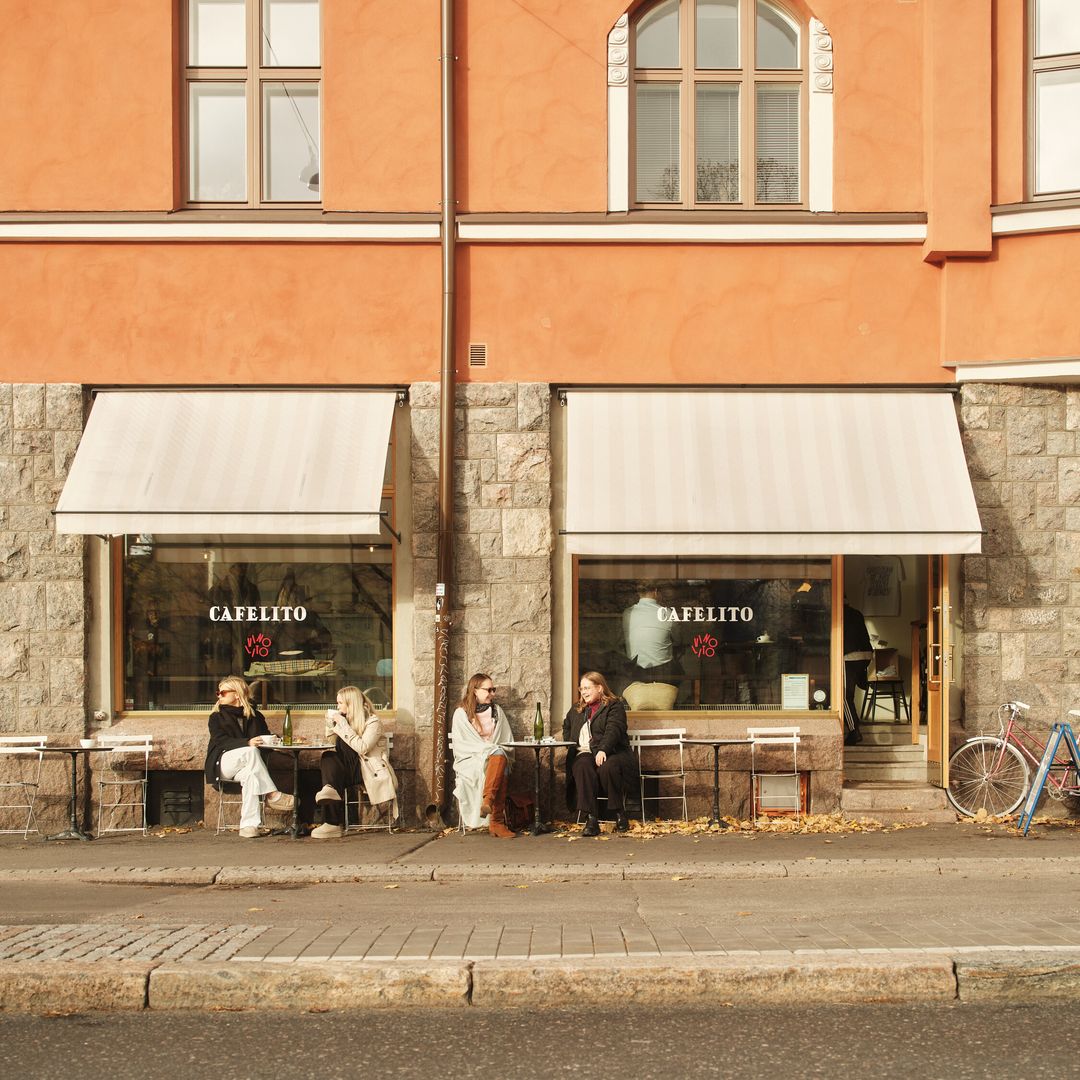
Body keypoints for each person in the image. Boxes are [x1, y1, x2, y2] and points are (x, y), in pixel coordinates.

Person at [203, 675, 294, 838]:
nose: (218, 696)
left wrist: (276, 741)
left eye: (222, 692)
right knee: (250, 751)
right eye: (218, 692)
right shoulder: (216, 717)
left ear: (237, 694)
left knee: (251, 776)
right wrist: (247, 742)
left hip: (247, 765)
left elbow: (264, 737)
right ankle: (272, 794)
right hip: (223, 764)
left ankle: (248, 826)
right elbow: (221, 741)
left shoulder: (255, 716)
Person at [312, 685, 399, 839]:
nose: (337, 707)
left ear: (351, 703)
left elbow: (362, 748)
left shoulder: (373, 722)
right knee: (328, 757)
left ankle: (332, 823)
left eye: (340, 703)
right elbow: (332, 742)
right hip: (348, 769)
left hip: (367, 771)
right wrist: (330, 725)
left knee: (333, 765)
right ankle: (329, 792)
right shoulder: (346, 721)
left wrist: (343, 725)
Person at [562, 671, 639, 837]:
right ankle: (591, 818)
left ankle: (618, 812)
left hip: (613, 751)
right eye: (581, 689)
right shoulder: (577, 709)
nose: (583, 692)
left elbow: (614, 729)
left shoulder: (614, 705)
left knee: (608, 767)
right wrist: (571, 742)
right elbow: (566, 726)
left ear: (599, 688)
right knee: (581, 766)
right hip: (586, 752)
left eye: (587, 688)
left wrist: (603, 749)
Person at [451, 673, 516, 838]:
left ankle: (488, 801)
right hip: (471, 759)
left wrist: (492, 750)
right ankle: (496, 822)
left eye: (494, 690)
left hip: (495, 758)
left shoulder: (497, 711)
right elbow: (462, 744)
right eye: (489, 690)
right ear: (475, 691)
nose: (492, 694)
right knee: (499, 757)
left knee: (500, 756)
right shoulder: (461, 713)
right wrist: (488, 749)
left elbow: (506, 739)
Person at [843, 600, 873, 746]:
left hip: (849, 656)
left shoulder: (838, 613)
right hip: (864, 655)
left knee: (844, 696)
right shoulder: (855, 613)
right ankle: (854, 728)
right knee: (848, 695)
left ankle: (854, 731)